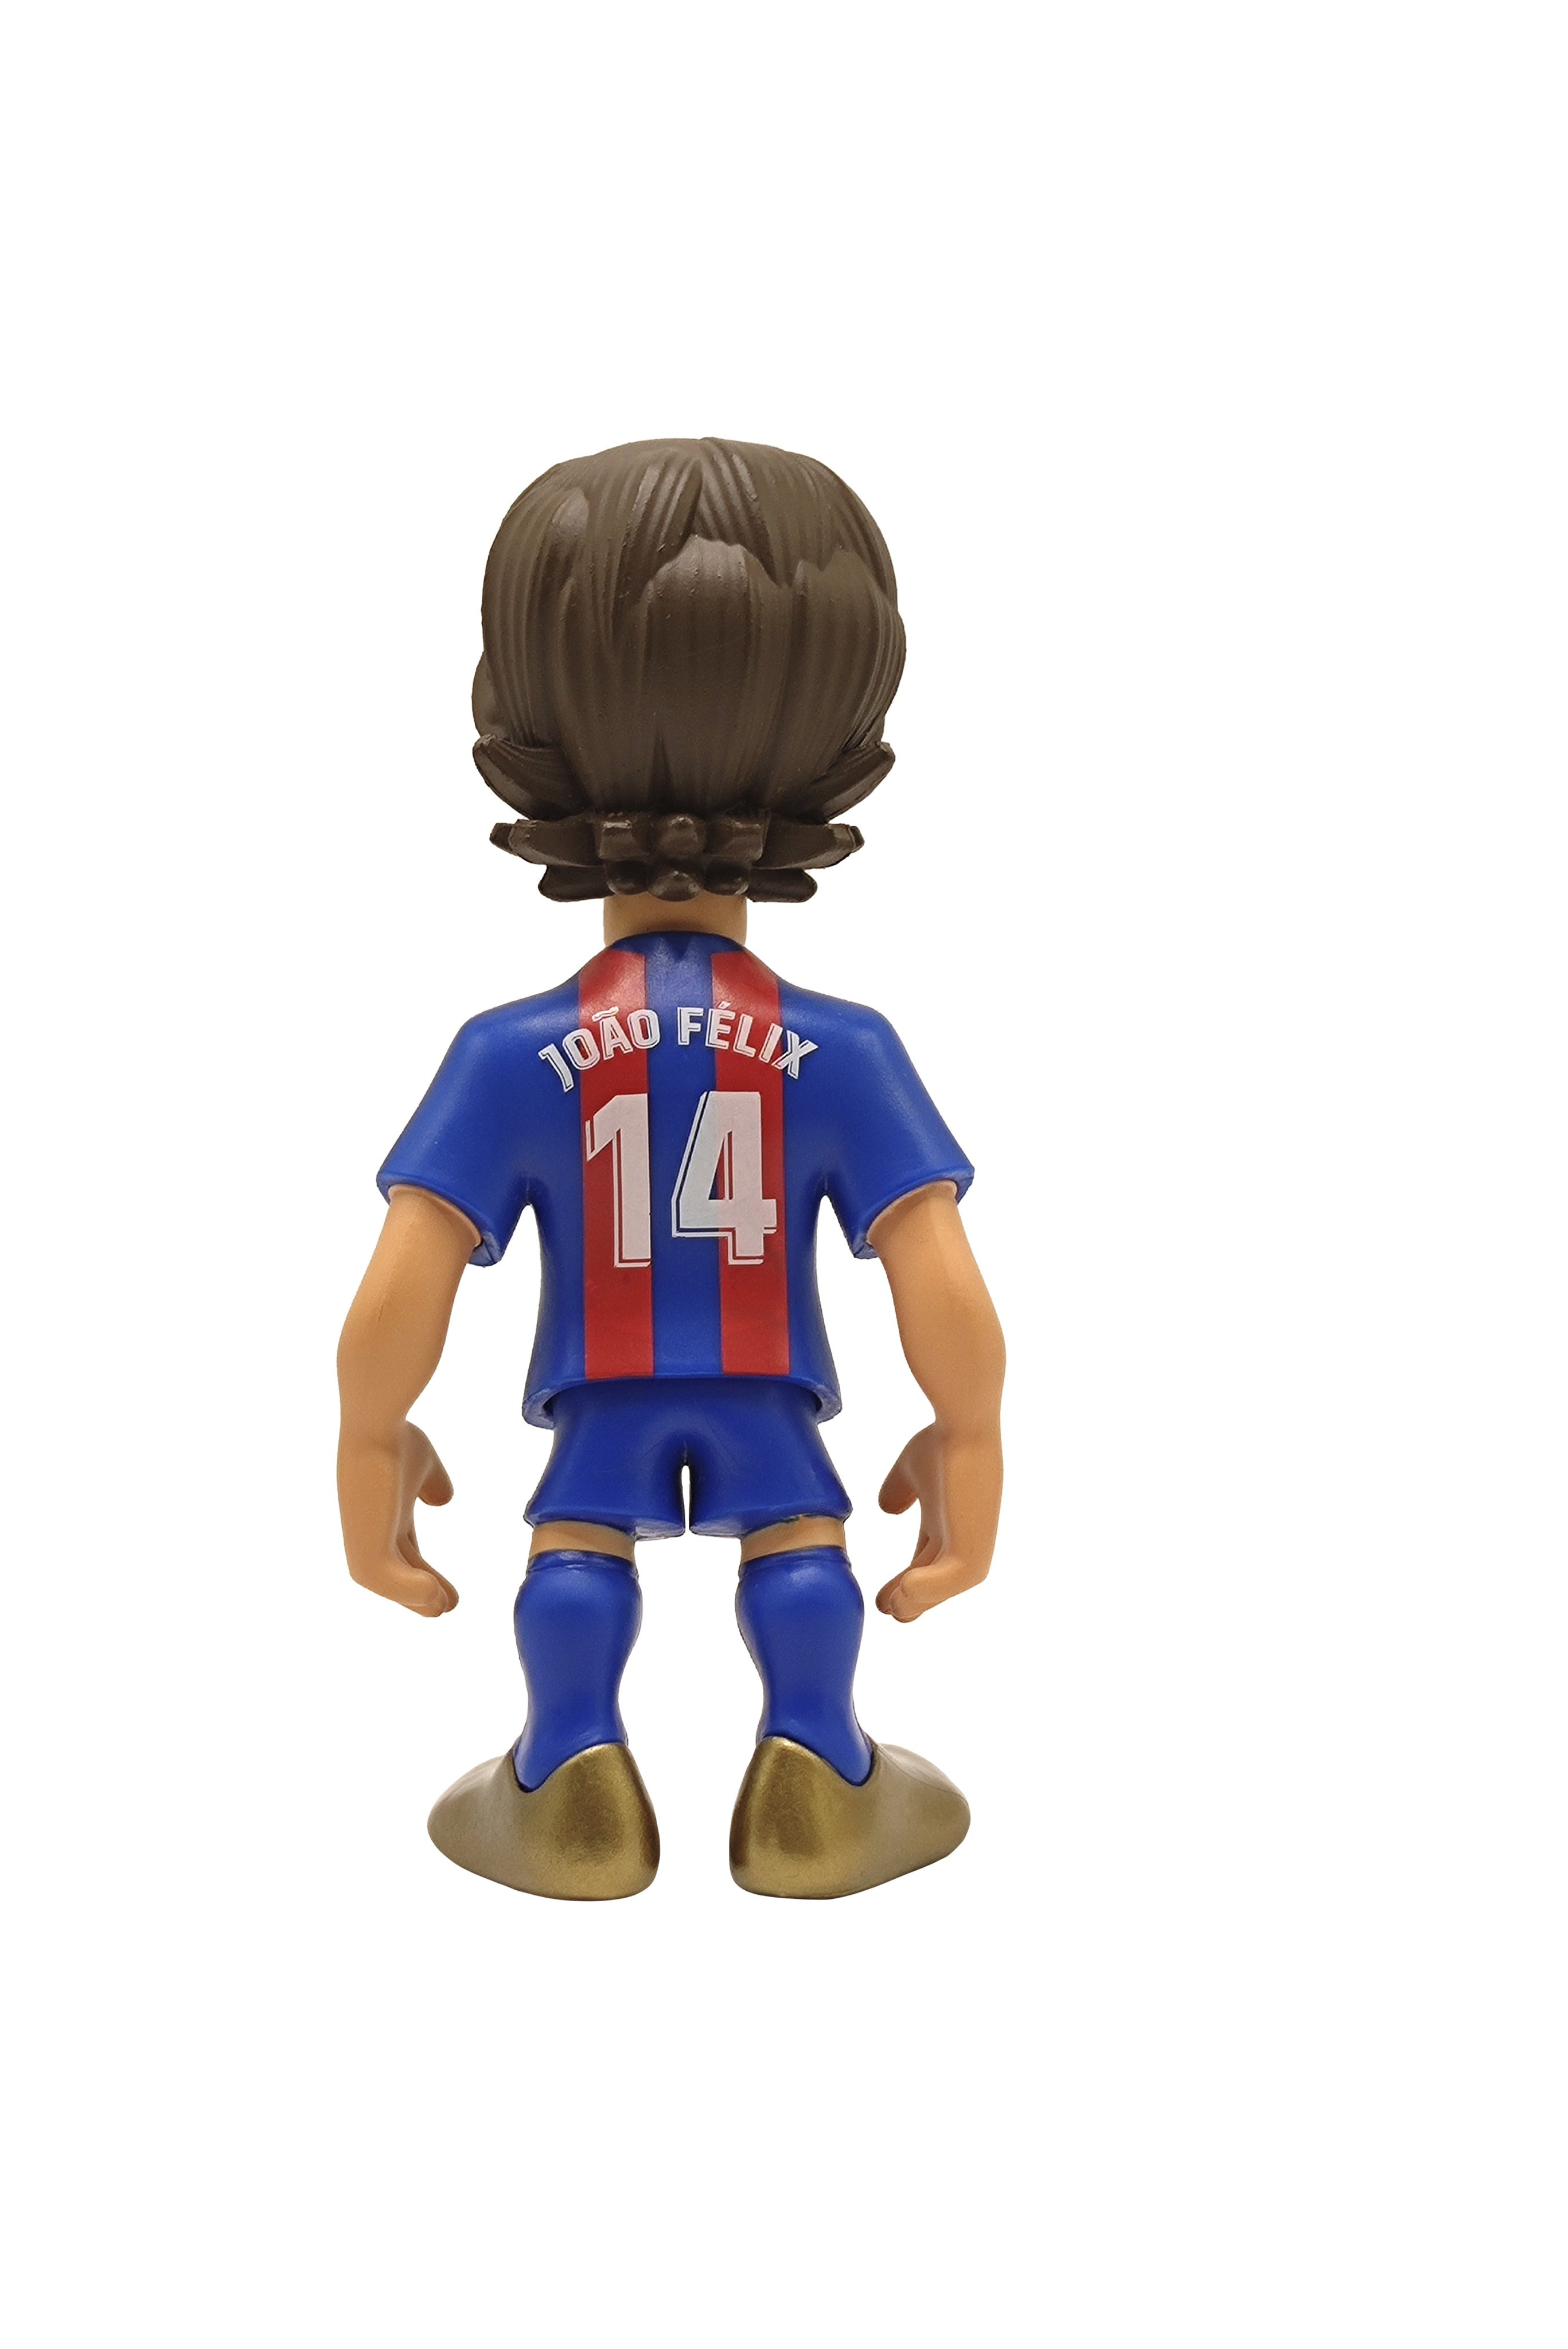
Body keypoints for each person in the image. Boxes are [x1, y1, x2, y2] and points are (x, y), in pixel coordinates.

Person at [336, 438, 1004, 1899]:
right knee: (800, 1540)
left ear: (520, 723)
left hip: (600, 1387)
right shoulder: (844, 1049)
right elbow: (940, 1280)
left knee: (575, 1544)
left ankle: (567, 1768)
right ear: (836, 731)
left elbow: (400, 1287)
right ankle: (815, 1772)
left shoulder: (508, 1053)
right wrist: (968, 1433)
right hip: (766, 1385)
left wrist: (370, 1435)